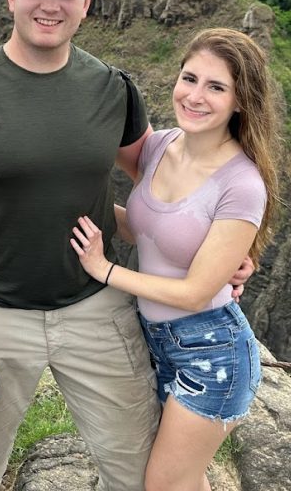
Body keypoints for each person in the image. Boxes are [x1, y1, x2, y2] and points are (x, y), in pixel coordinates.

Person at [0, 0, 251, 491]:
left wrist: (221, 252)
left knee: (137, 472)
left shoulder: (114, 91)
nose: (49, 4)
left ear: (88, 3)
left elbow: (161, 191)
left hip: (96, 309)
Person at [71, 27, 280, 491]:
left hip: (212, 354)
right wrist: (80, 211)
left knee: (164, 484)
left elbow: (195, 291)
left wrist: (106, 270)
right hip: (158, 341)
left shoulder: (240, 183)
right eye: (189, 78)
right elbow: (147, 228)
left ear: (241, 101)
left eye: (216, 87)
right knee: (186, 480)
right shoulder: (160, 145)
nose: (196, 96)